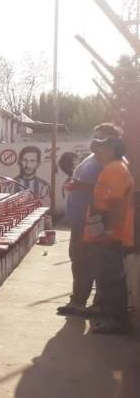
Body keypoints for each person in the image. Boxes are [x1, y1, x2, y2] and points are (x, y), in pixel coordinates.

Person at [57, 123, 120, 317]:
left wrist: (80, 185)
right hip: (79, 218)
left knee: (92, 260)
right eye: (94, 136)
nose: (95, 141)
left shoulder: (109, 161)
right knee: (78, 259)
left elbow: (107, 187)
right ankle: (78, 300)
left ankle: (96, 303)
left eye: (100, 138)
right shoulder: (93, 158)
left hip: (92, 218)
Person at [84, 134, 134, 334]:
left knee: (111, 277)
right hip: (112, 232)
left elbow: (115, 203)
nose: (98, 151)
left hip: (112, 233)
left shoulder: (114, 169)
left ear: (112, 150)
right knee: (111, 276)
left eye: (103, 147)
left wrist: (110, 231)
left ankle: (115, 321)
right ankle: (114, 319)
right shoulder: (114, 167)